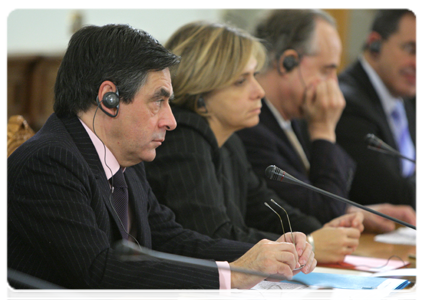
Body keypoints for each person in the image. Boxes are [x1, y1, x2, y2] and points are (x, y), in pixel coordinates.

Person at [5, 24, 316, 300]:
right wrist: (232, 275)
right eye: (158, 100)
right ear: (108, 99)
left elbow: (170, 238)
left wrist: (268, 252)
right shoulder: (49, 162)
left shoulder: (128, 158)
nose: (171, 120)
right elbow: (98, 271)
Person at [145, 21, 364, 266]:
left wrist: (321, 229)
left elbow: (268, 210)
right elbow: (214, 236)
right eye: (241, 81)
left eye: (255, 76)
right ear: (201, 91)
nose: (259, 91)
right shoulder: (185, 140)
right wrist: (308, 245)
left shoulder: (230, 142)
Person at [237, 8, 420, 233]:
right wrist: (324, 131)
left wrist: (357, 212)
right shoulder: (251, 128)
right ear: (288, 63)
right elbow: (323, 215)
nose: (335, 84)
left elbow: (313, 201)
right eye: (327, 70)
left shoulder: (295, 120)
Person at [335, 9, 420, 214]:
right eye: (411, 49)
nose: (419, 64)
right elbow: (396, 197)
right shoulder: (348, 103)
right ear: (375, 44)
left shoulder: (406, 96)